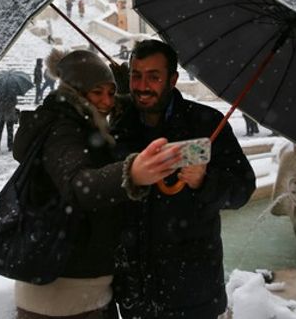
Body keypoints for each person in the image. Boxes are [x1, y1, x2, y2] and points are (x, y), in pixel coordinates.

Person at [12, 48, 182, 319]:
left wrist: (130, 89)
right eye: (96, 93)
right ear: (76, 93)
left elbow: (118, 107)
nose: (107, 101)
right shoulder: (63, 129)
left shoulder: (84, 120)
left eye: (110, 92)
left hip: (84, 286)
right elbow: (79, 185)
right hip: (60, 294)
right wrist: (131, 174)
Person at [109, 39, 256, 319]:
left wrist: (205, 181)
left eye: (153, 77)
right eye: (136, 76)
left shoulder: (207, 123)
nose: (142, 86)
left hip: (193, 292)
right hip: (135, 293)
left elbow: (243, 189)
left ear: (173, 80)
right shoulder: (121, 125)